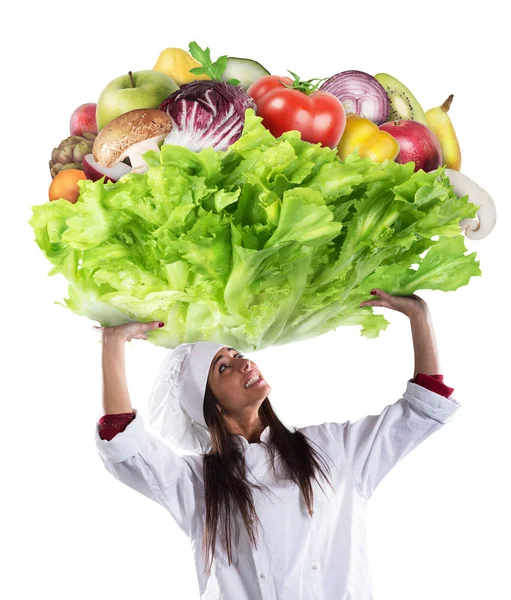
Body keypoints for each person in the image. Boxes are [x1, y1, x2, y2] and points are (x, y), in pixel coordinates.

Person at [93, 288, 459, 600]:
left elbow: (421, 409)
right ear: (212, 406)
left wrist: (418, 314)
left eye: (236, 355)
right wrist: (113, 345)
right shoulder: (198, 483)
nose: (244, 363)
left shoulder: (332, 449)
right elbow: (123, 439)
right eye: (223, 367)